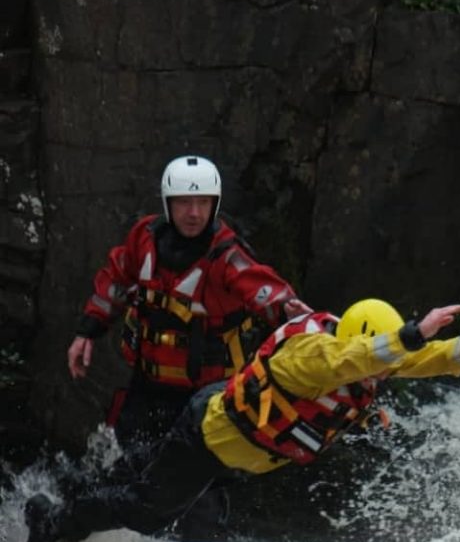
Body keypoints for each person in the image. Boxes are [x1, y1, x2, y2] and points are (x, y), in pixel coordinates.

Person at [25, 299, 460, 542]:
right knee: (150, 508)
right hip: (210, 436)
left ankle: (67, 492)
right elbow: (357, 357)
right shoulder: (314, 356)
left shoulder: (371, 362)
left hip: (226, 444)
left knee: (141, 474)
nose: (386, 374)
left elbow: (419, 359)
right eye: (385, 357)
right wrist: (411, 333)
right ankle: (54, 523)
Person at [68, 154, 309, 468]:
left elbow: (266, 291)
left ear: (215, 204)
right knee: (127, 461)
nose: (194, 213)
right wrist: (87, 331)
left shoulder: (227, 257)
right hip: (147, 384)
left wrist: (293, 314)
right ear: (168, 204)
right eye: (183, 202)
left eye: (203, 202)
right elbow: (115, 278)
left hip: (204, 397)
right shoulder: (145, 237)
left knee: (193, 476)